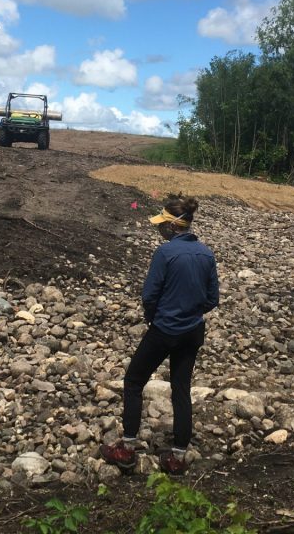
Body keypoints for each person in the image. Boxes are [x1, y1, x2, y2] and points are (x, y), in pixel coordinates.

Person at [100, 196, 219, 475]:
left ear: (171, 226)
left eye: (161, 225)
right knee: (181, 389)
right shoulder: (206, 253)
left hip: (165, 329)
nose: (159, 229)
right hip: (192, 330)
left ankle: (127, 449)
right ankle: (177, 456)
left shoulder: (165, 253)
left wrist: (157, 317)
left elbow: (149, 295)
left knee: (133, 381)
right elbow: (212, 298)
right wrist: (191, 311)